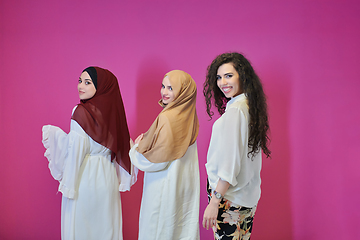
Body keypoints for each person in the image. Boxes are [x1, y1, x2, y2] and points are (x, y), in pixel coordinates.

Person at [42, 66, 137, 240]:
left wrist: (68, 186)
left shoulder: (81, 112)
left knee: (81, 230)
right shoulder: (114, 116)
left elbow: (75, 152)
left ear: (100, 87)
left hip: (85, 180)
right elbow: (125, 148)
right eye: (80, 81)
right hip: (107, 181)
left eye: (87, 82)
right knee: (106, 228)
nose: (81, 86)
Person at [202, 52, 271, 240]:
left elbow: (230, 164)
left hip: (229, 200)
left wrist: (215, 201)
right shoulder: (249, 107)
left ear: (243, 76)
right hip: (246, 197)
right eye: (219, 77)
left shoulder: (236, 112)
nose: (223, 82)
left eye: (229, 76)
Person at [129, 70, 200, 240]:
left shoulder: (168, 118)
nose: (164, 92)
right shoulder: (190, 116)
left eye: (171, 88)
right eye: (163, 86)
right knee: (180, 230)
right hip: (183, 186)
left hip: (163, 187)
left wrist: (135, 149)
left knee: (158, 229)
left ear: (183, 92)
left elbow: (157, 162)